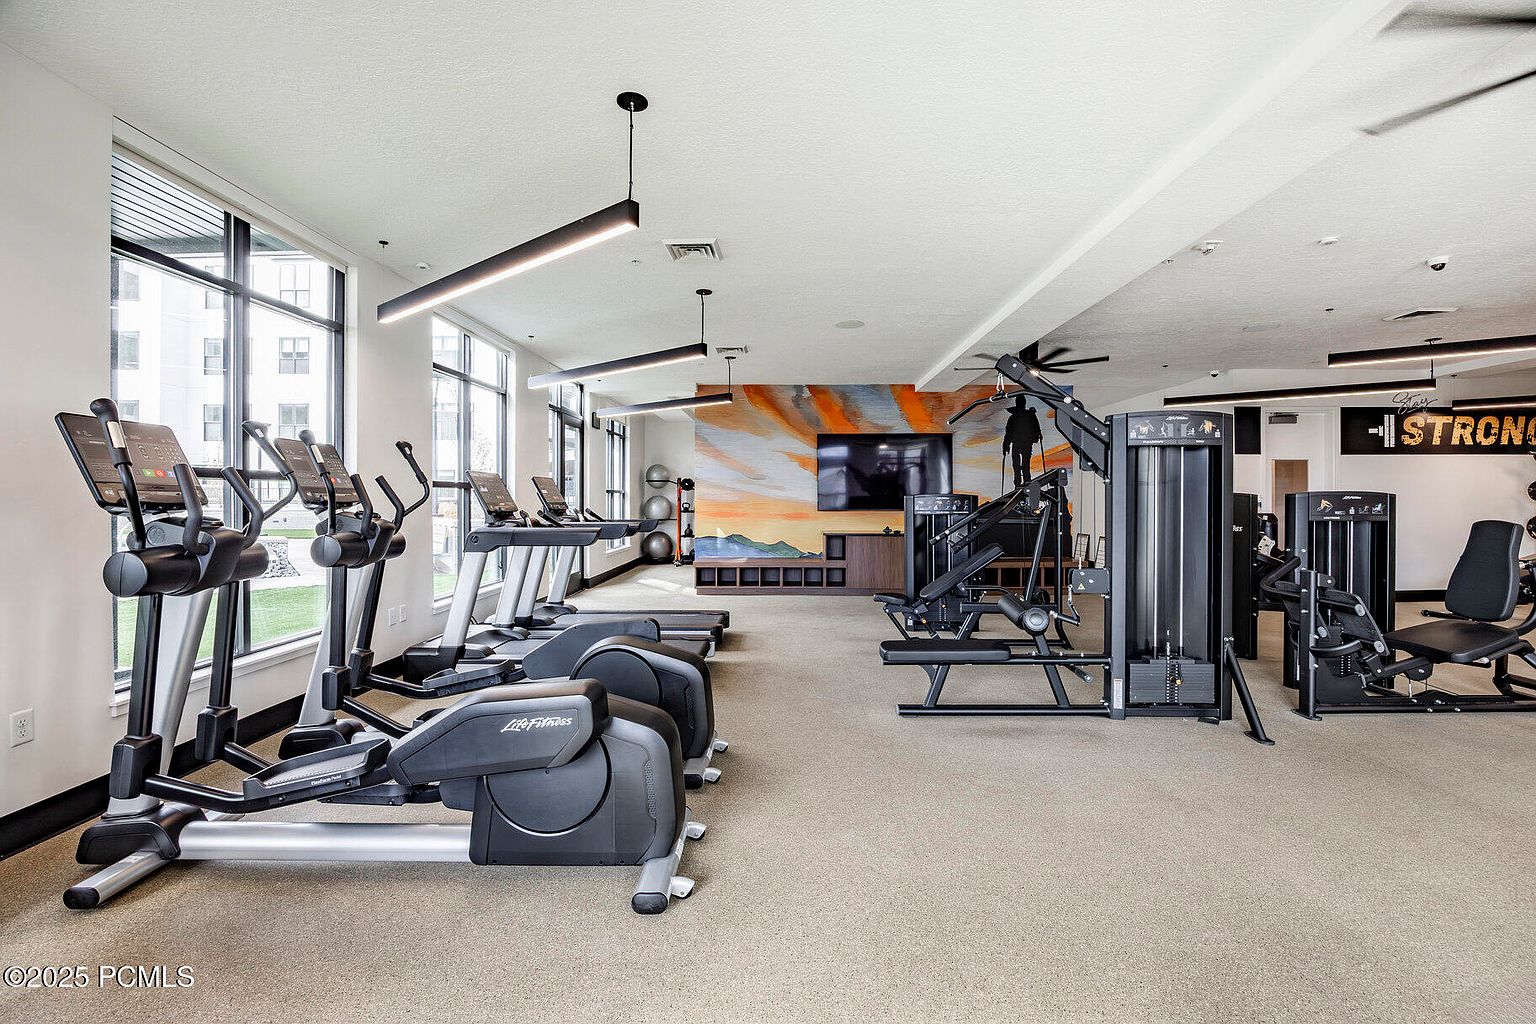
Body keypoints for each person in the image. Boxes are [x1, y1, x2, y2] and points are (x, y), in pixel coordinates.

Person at [1002, 396, 1042, 488]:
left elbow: (1008, 433)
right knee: (1024, 466)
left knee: (1019, 466)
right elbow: (1036, 429)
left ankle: (1020, 485)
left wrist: (1006, 445)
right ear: (1024, 403)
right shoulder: (1030, 416)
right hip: (1025, 444)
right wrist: (1005, 445)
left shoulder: (1013, 417)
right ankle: (1023, 485)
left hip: (1019, 444)